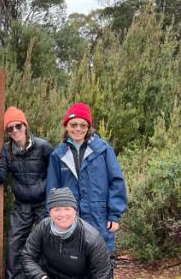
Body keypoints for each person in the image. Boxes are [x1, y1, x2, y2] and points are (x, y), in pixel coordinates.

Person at [45, 102, 127, 257]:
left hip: (99, 217)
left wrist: (114, 215)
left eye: (83, 125)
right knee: (73, 262)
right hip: (70, 219)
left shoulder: (103, 150)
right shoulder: (58, 155)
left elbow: (116, 182)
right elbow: (52, 189)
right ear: (66, 126)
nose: (78, 129)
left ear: (89, 127)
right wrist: (53, 217)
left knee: (102, 263)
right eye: (74, 124)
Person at [0, 106, 53, 279]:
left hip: (43, 203)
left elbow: (55, 174)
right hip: (22, 204)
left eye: (18, 126)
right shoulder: (7, 150)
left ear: (25, 126)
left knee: (48, 241)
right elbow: (0, 178)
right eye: (10, 128)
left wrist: (52, 198)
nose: (15, 131)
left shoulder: (43, 146)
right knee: (14, 243)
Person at [20, 187, 111, 279]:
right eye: (56, 209)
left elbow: (103, 275)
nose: (62, 214)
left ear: (75, 211)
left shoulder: (92, 238)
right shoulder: (43, 227)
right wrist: (41, 277)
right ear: (50, 212)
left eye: (67, 209)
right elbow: (27, 256)